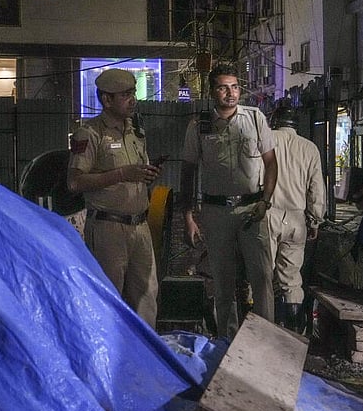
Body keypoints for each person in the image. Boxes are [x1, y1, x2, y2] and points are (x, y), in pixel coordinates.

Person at [181, 64, 278, 339]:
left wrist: (266, 201)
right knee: (223, 282)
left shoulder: (255, 119)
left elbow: (271, 164)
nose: (230, 93)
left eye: (235, 87)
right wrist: (188, 217)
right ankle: (227, 339)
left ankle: (265, 340)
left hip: (252, 210)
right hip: (216, 212)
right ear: (212, 91)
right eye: (223, 87)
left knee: (262, 278)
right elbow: (188, 171)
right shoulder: (198, 125)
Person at [67, 68, 161, 328]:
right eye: (125, 95)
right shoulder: (89, 134)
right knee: (108, 301)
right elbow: (74, 182)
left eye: (133, 93)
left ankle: (146, 362)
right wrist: (121, 174)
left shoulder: (135, 133)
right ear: (106, 100)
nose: (133, 100)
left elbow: (135, 173)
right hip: (108, 229)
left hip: (140, 227)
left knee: (146, 299)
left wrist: (145, 175)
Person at [266, 106, 326, 333]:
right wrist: (315, 220)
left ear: (274, 121)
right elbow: (316, 189)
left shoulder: (266, 140)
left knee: (263, 274)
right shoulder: (309, 148)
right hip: (296, 219)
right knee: (291, 278)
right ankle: (292, 329)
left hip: (268, 214)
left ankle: (263, 326)